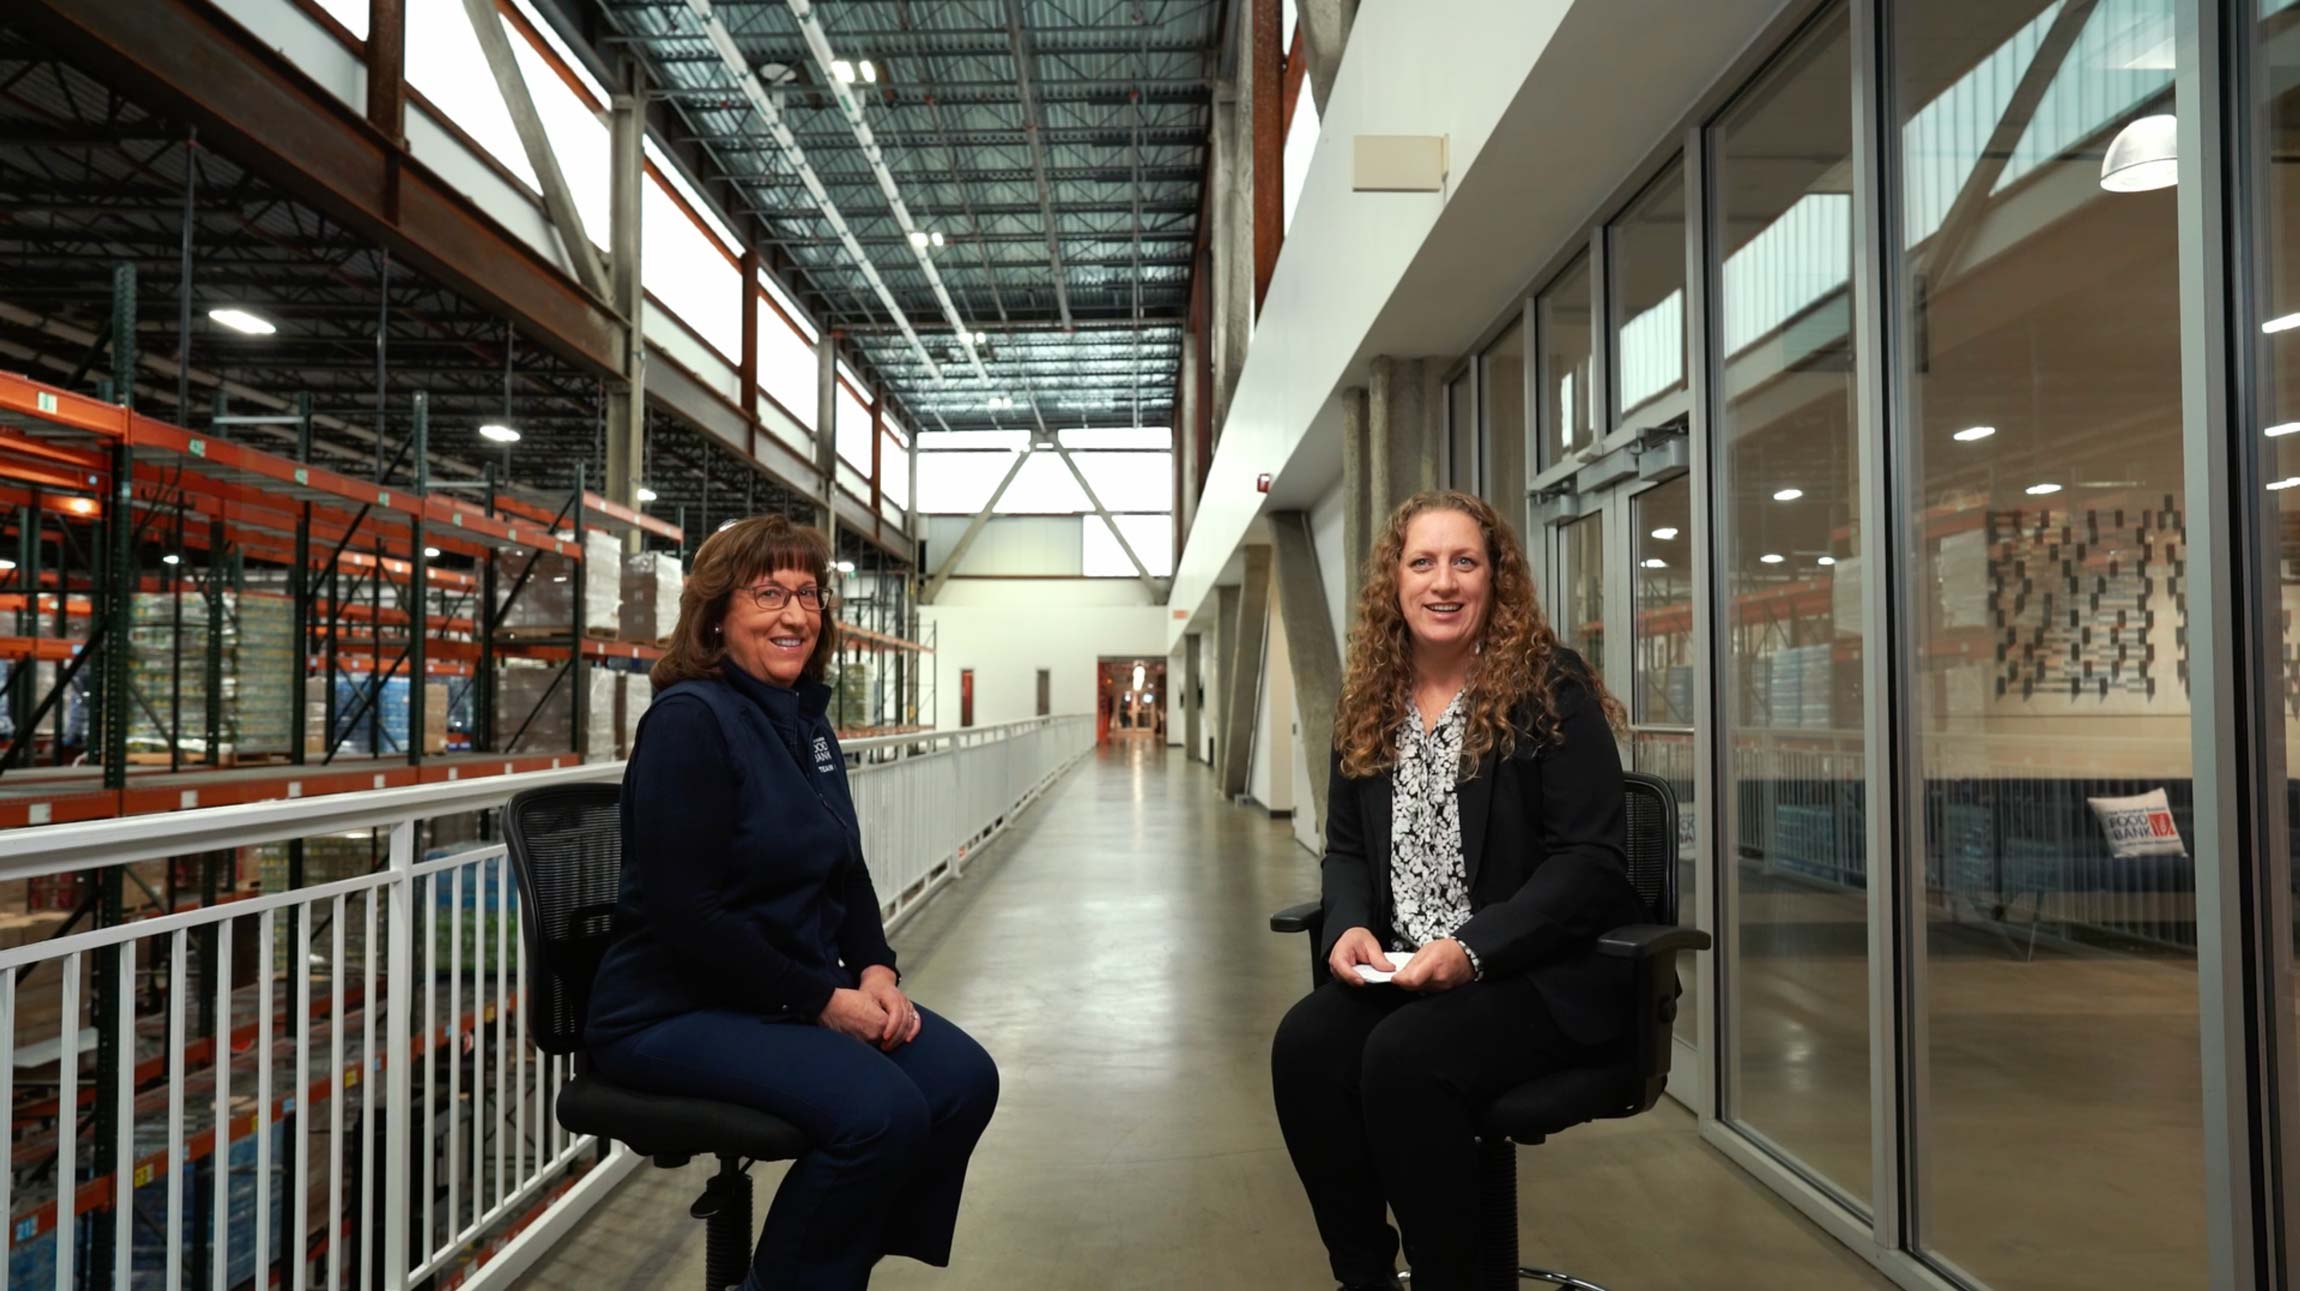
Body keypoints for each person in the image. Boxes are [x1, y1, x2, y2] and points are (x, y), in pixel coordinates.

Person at [585, 515, 999, 1291]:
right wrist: (821, 1000)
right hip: (673, 1008)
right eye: (768, 592)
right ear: (715, 613)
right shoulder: (690, 723)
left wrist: (876, 968)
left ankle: (822, 1266)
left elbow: (844, 870)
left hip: (778, 996)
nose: (795, 614)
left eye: (808, 593)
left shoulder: (804, 723)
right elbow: (687, 916)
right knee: (881, 1114)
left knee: (961, 1079)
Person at [1269, 490, 1645, 1291]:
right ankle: (1364, 1276)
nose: (1444, 582)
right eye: (1423, 562)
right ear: (1394, 583)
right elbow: (1345, 851)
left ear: (1494, 576)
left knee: (1403, 1060)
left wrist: (1473, 949)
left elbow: (1591, 861)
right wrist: (1344, 926)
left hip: (1530, 973)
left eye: (1464, 561)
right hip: (1405, 966)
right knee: (1304, 1048)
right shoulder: (1371, 699)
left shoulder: (1549, 688)